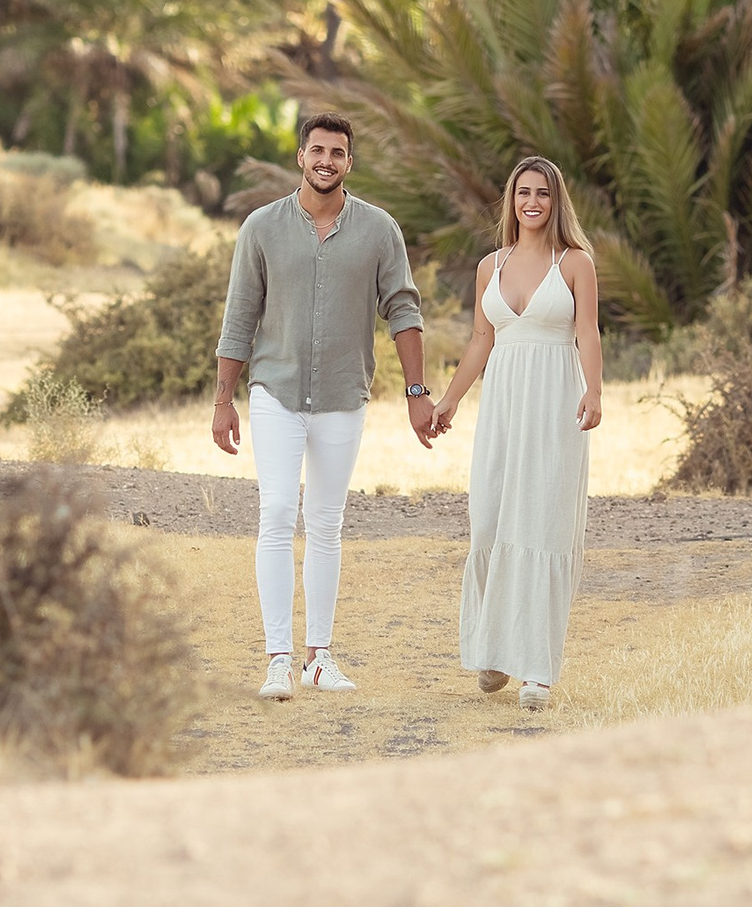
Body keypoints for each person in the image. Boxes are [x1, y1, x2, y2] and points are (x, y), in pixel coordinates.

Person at [213, 111, 435, 699]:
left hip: (343, 394)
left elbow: (404, 310)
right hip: (275, 392)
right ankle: (278, 660)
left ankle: (319, 658)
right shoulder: (260, 228)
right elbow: (239, 318)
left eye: (337, 153)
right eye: (317, 151)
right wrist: (222, 400)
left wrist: (417, 394)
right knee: (278, 513)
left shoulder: (380, 230)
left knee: (328, 525)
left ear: (348, 163)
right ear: (300, 157)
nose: (326, 162)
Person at [430, 154, 603, 712]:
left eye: (543, 194)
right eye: (523, 192)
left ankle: (538, 669)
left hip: (555, 404)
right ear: (511, 200)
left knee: (543, 525)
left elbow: (588, 333)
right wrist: (449, 401)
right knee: (492, 520)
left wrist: (594, 391)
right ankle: (494, 650)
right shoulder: (491, 265)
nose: (532, 202)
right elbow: (481, 339)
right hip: (502, 407)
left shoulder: (576, 263)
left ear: (557, 203)